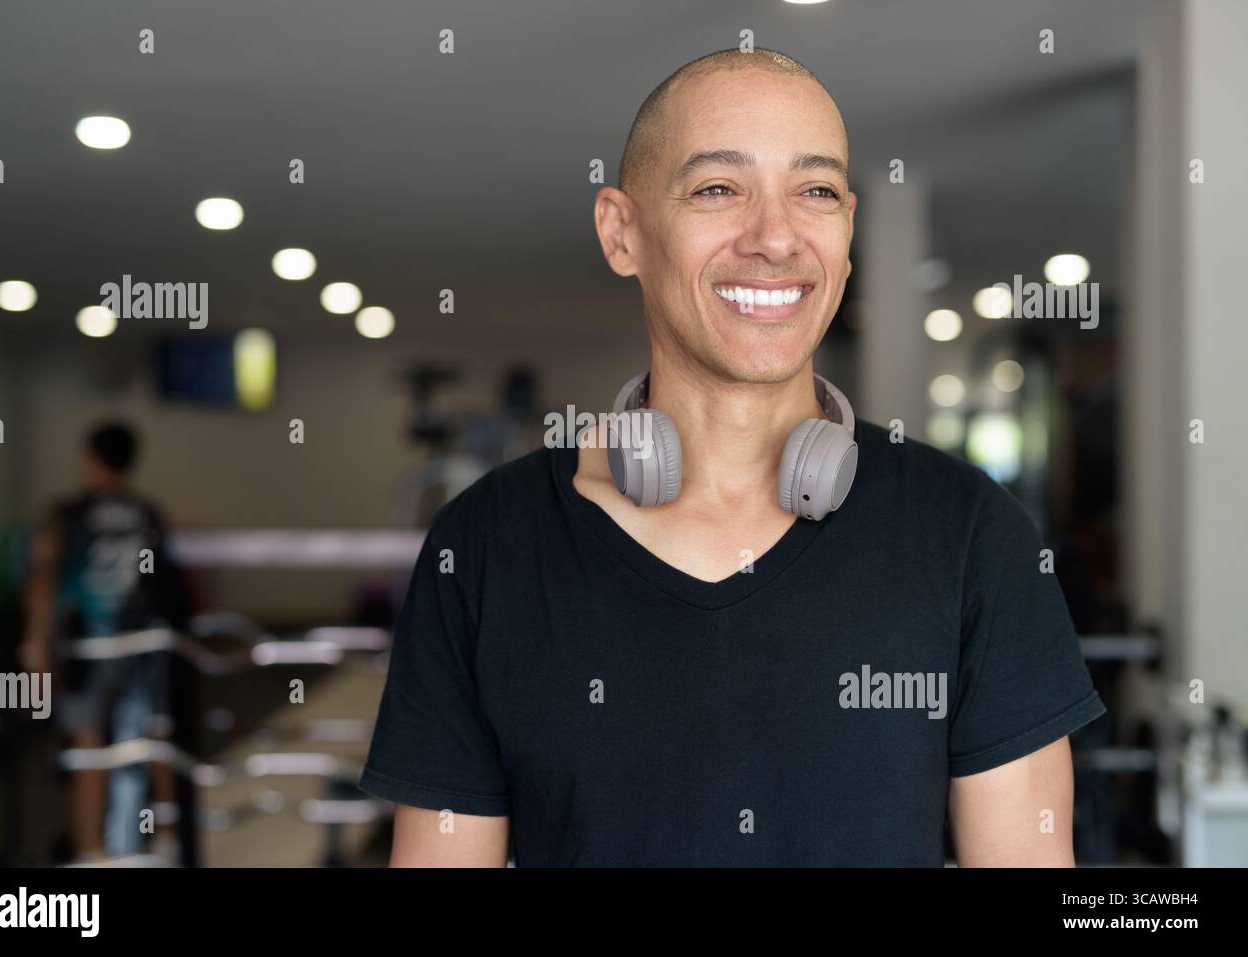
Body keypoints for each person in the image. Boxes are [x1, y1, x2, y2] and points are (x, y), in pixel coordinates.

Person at [359, 48, 1105, 866]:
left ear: (848, 231)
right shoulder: (484, 547)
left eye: (815, 191)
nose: (776, 236)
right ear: (621, 231)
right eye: (718, 188)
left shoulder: (972, 534)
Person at [21, 421, 186, 862]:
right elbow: (165, 584)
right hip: (143, 642)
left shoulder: (67, 514)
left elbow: (44, 579)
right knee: (154, 740)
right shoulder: (148, 512)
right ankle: (168, 840)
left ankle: (92, 852)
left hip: (88, 647)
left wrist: (35, 643)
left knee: (88, 745)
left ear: (92, 457)